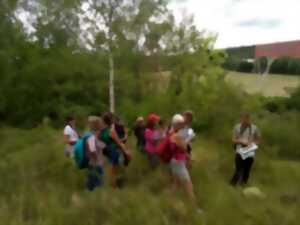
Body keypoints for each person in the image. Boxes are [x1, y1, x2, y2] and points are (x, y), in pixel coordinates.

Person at [169, 114, 200, 210]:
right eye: (181, 124)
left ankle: (169, 200)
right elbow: (184, 147)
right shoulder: (176, 136)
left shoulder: (171, 133)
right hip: (178, 163)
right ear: (177, 124)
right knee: (189, 186)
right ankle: (195, 209)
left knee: (176, 183)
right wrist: (188, 139)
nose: (183, 125)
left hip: (175, 161)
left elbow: (182, 150)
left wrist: (188, 157)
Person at [100, 112, 131, 188]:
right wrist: (126, 151)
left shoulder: (102, 131)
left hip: (108, 151)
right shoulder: (111, 131)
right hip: (115, 151)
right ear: (111, 120)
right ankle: (116, 186)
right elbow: (119, 143)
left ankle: (113, 186)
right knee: (116, 170)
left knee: (112, 170)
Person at [230, 112, 261, 186]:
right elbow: (233, 139)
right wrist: (241, 141)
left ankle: (243, 184)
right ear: (240, 118)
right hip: (239, 150)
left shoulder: (254, 128)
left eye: (245, 118)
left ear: (248, 119)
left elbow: (259, 140)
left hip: (250, 152)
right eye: (242, 118)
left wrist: (252, 144)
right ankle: (232, 184)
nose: (243, 120)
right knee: (238, 169)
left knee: (247, 170)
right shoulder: (237, 127)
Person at [85, 116, 106, 191]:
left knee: (91, 186)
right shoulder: (91, 136)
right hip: (96, 165)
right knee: (97, 187)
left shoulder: (92, 135)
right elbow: (92, 150)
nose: (102, 125)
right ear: (97, 125)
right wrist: (96, 159)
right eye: (100, 123)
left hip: (93, 164)